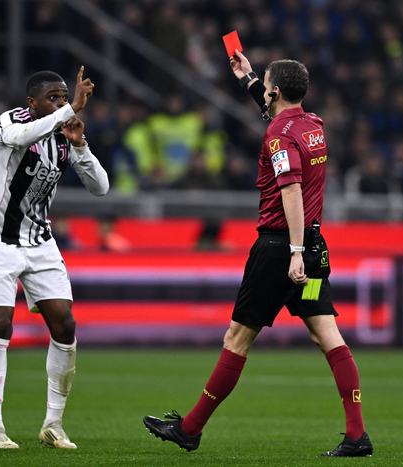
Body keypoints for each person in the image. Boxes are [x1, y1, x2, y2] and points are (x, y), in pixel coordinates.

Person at [144, 51, 372, 457]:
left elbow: (291, 191)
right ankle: (357, 436)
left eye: (266, 87)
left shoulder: (278, 136)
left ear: (276, 92)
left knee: (237, 338)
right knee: (327, 336)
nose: (263, 93)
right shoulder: (313, 125)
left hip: (280, 252)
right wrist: (247, 77)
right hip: (315, 249)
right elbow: (280, 116)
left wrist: (294, 252)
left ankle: (190, 429)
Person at [0, 67, 108, 449]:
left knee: (64, 325)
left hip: (38, 240)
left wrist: (80, 146)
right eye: (53, 97)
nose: (61, 103)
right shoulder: (10, 121)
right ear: (31, 102)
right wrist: (69, 110)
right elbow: (21, 137)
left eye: (64, 96)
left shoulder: (63, 136)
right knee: (0, 323)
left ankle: (53, 424)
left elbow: (101, 187)